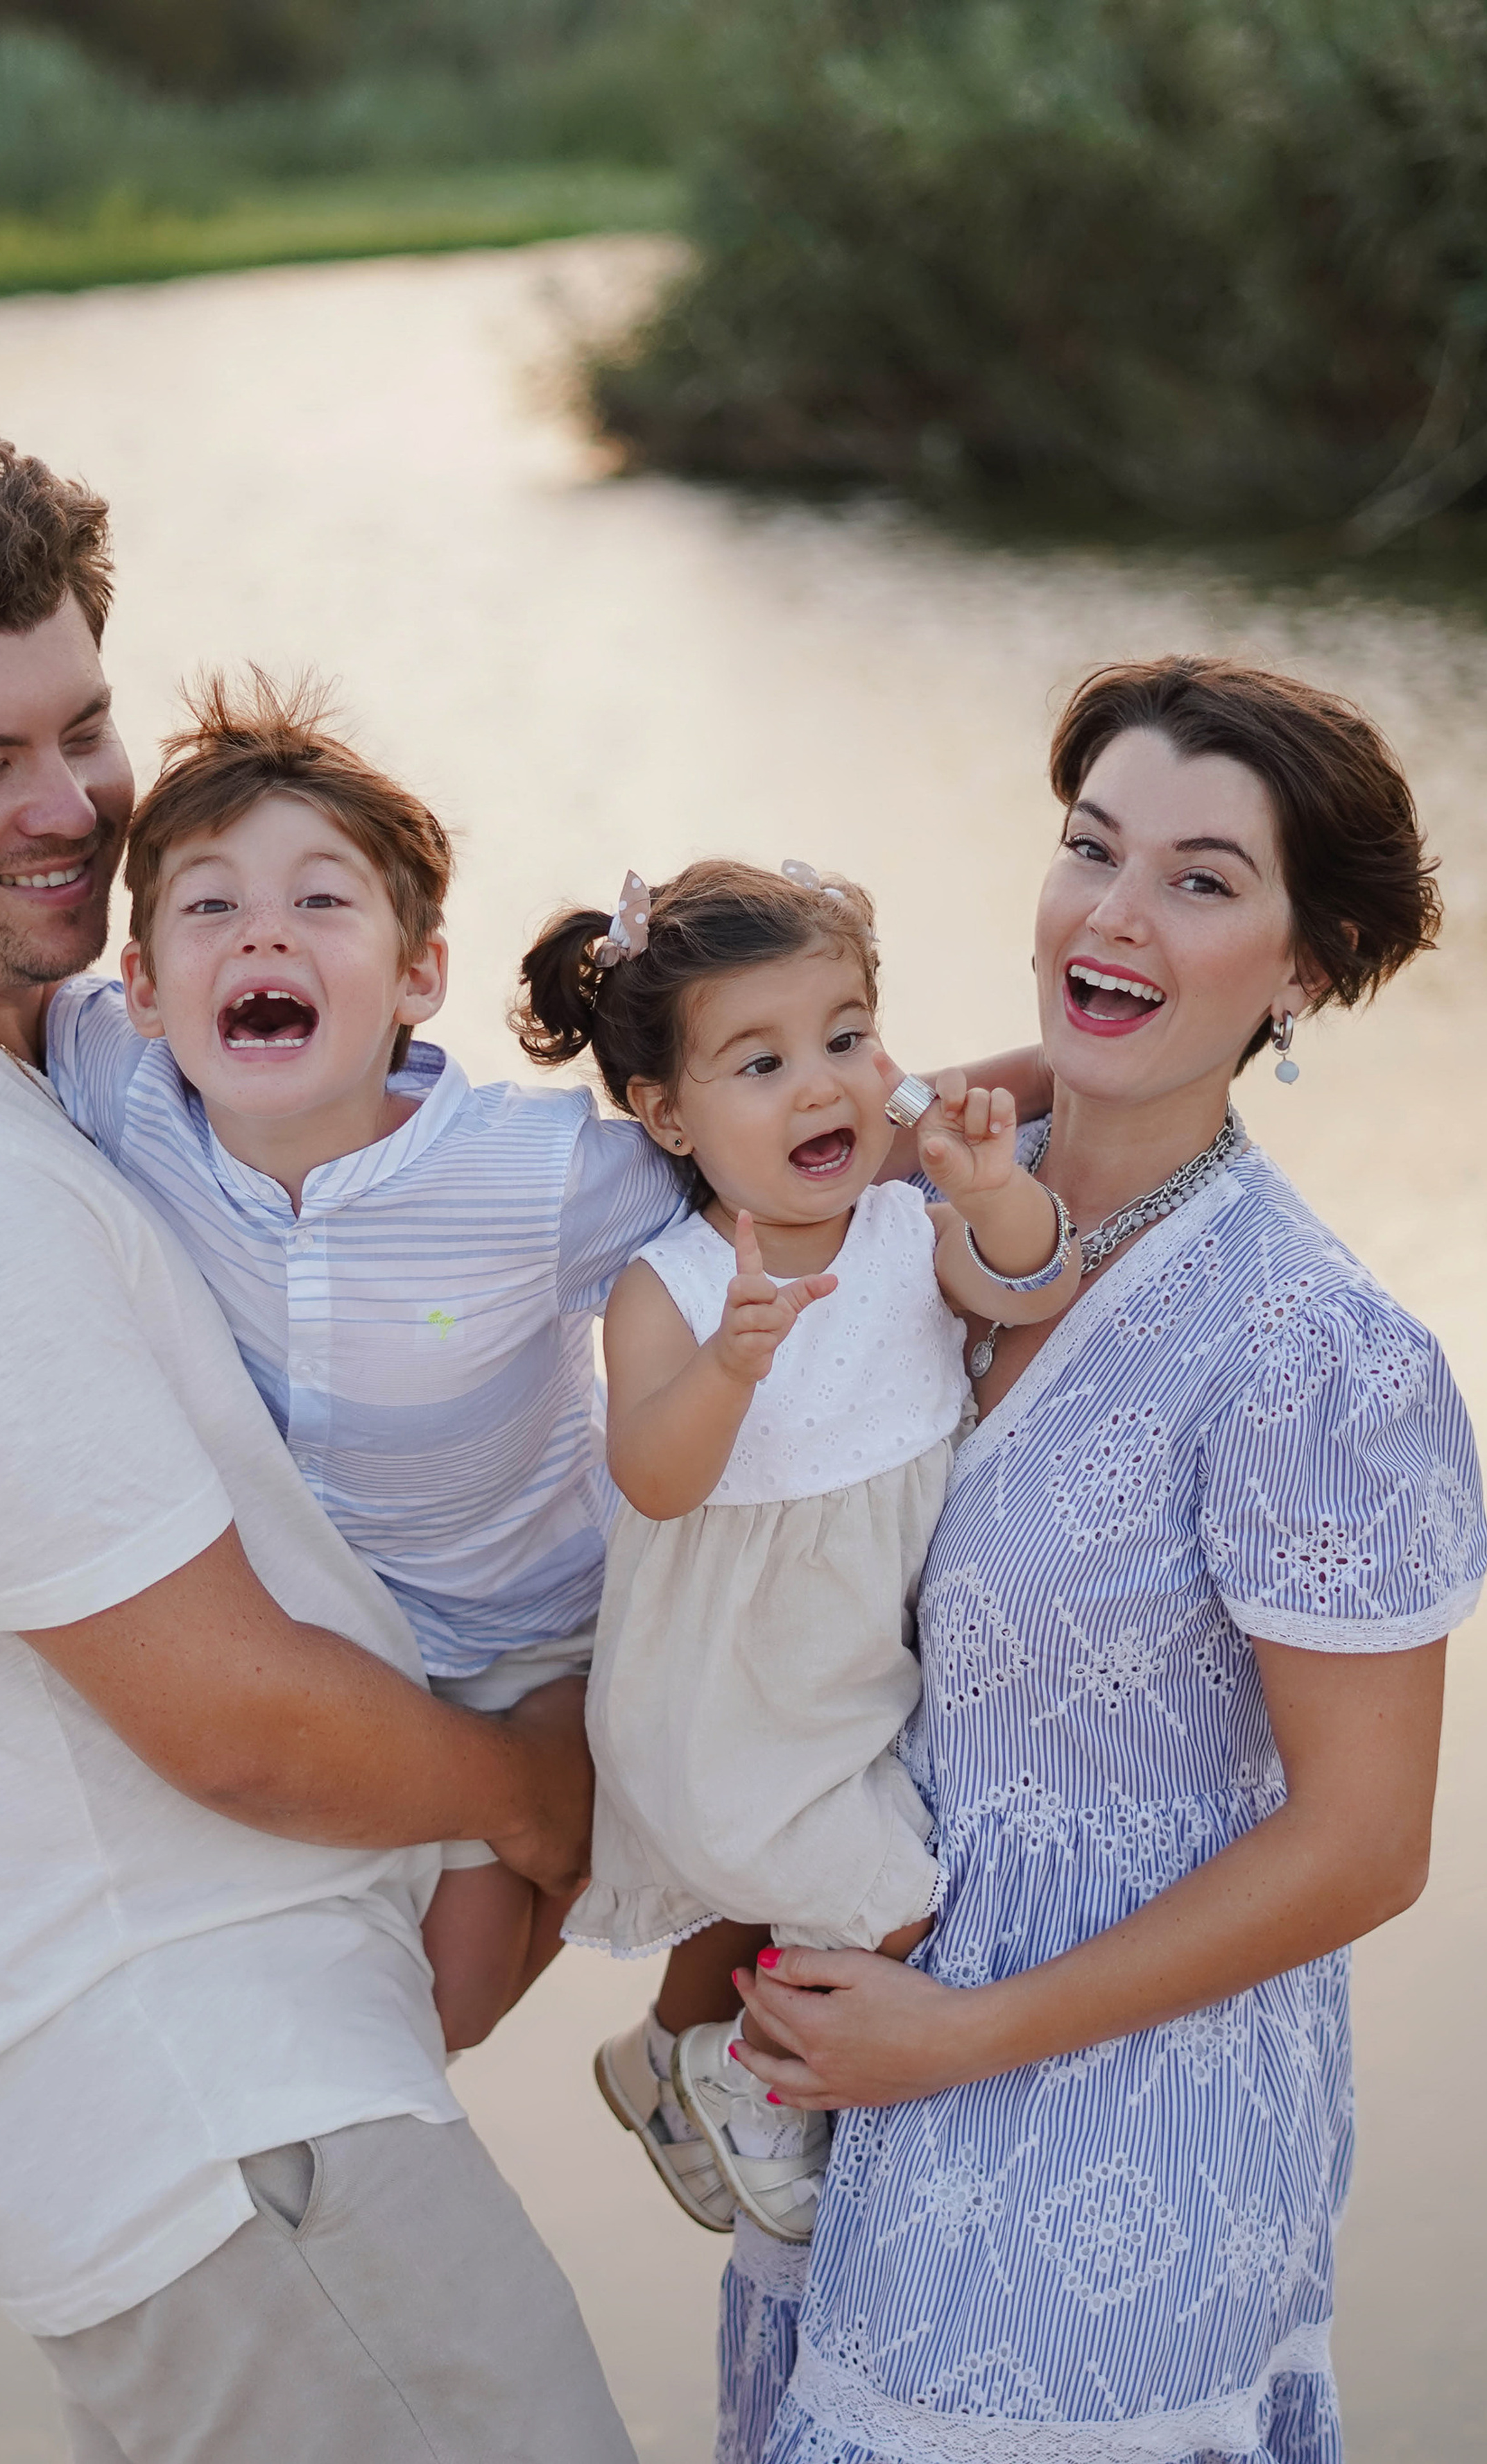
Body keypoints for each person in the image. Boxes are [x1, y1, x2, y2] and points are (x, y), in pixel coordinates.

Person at [0, 425, 634, 2464]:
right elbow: (238, 1722)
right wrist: (545, 1799)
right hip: (224, 2134)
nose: (70, 810)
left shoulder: (34, 1080)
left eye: (82, 728)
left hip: (234, 2112)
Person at [714, 657, 1486, 2464]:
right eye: (1090, 848)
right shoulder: (911, 1206)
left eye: (1203, 881)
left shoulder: (1314, 1352)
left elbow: (1367, 1844)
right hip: (851, 2129)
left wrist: (969, 2037)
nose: (1113, 914)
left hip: (1113, 2173)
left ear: (1305, 968)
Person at [44, 671, 690, 2052]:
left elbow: (757, 1171)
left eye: (321, 903)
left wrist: (976, 1133)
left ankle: (680, 2044)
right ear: (145, 987)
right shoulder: (118, 1091)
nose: (262, 931)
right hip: (352, 1650)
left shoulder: (538, 1175)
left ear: (417, 975)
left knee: (531, 1927)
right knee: (430, 2002)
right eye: (211, 907)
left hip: (545, 1624)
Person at [512, 859, 1079, 2243]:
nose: (819, 1085)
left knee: (802, 1881)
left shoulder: (903, 1219)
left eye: (842, 1039)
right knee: (888, 1908)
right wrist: (725, 1371)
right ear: (666, 1114)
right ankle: (742, 2072)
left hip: (846, 1676)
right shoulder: (676, 1287)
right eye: (758, 1063)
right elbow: (651, 1478)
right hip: (724, 1696)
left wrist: (993, 1183)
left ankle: (665, 2059)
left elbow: (1035, 1281)